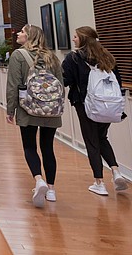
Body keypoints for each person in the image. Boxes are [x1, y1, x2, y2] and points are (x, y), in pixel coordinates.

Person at [62, 26, 128, 196]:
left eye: (76, 36)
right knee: (102, 138)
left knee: (91, 142)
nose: (73, 39)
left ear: (83, 39)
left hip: (85, 105)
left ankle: (99, 182)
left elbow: (66, 80)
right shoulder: (107, 56)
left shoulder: (73, 58)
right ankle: (116, 171)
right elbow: (118, 81)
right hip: (108, 105)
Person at [6, 24, 63, 207]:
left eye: (22, 32)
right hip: (50, 110)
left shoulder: (18, 55)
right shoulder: (52, 57)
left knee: (29, 146)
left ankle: (39, 180)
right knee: (48, 148)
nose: (18, 34)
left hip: (27, 108)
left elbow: (13, 85)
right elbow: (61, 84)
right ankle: (52, 190)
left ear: (29, 36)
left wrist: (10, 110)